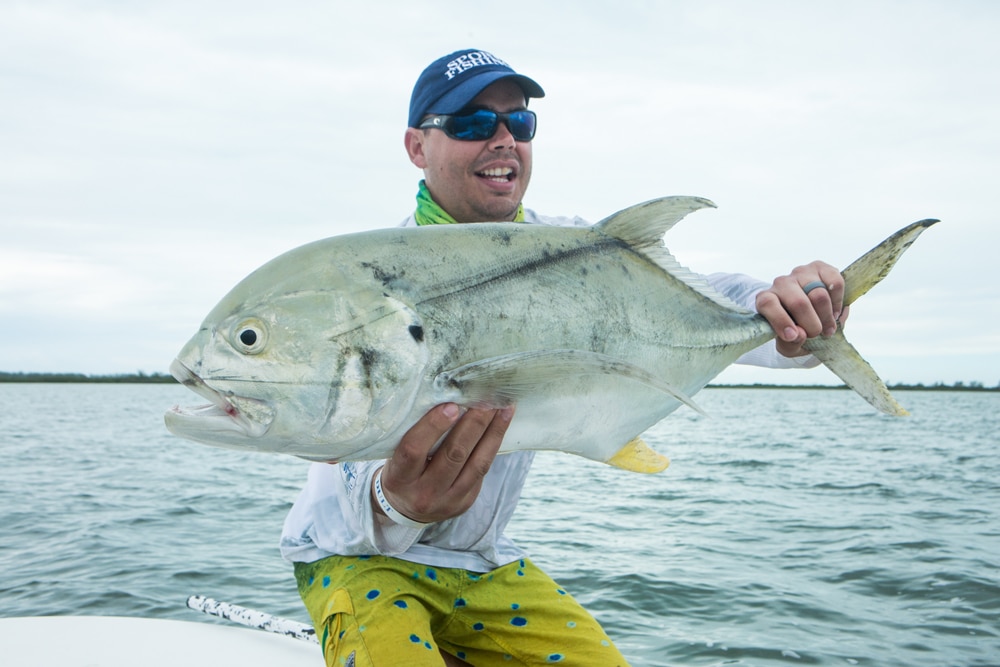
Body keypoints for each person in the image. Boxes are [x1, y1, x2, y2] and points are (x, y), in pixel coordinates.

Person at [280, 48, 846, 667]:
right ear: (418, 147)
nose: (502, 140)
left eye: (518, 124)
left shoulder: (575, 251)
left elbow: (715, 303)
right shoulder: (382, 279)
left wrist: (799, 312)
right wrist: (394, 504)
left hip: (478, 564)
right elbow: (348, 426)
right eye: (471, 124)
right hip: (356, 557)